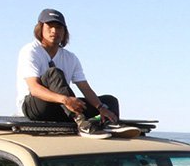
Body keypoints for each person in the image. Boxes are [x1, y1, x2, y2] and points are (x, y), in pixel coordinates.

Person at [16, 8, 119, 136]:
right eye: (50, 26)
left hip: (62, 108)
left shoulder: (71, 58)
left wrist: (101, 108)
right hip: (34, 107)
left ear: (65, 31)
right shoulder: (30, 51)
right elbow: (34, 89)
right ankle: (82, 123)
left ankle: (107, 123)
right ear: (40, 28)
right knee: (54, 73)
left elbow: (85, 89)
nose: (54, 31)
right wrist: (65, 100)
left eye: (59, 27)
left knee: (109, 101)